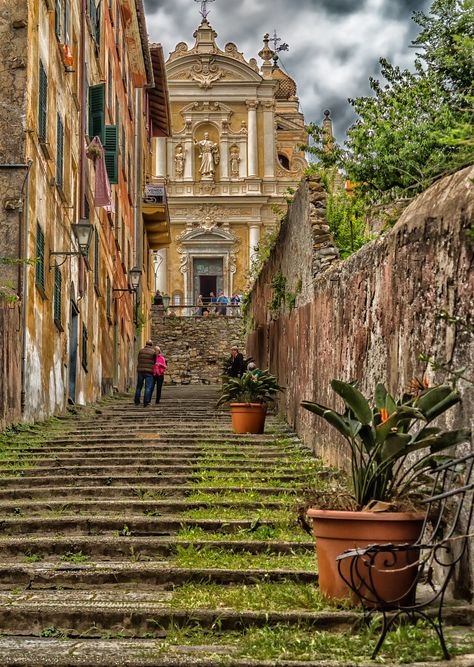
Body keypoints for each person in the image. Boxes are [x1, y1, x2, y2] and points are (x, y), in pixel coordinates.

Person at [134, 340, 156, 407]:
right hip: (149, 371)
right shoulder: (153, 352)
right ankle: (146, 402)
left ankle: (137, 401)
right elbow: (155, 361)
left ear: (146, 344)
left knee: (139, 386)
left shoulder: (141, 351)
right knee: (148, 387)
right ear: (151, 345)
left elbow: (138, 359)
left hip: (140, 370)